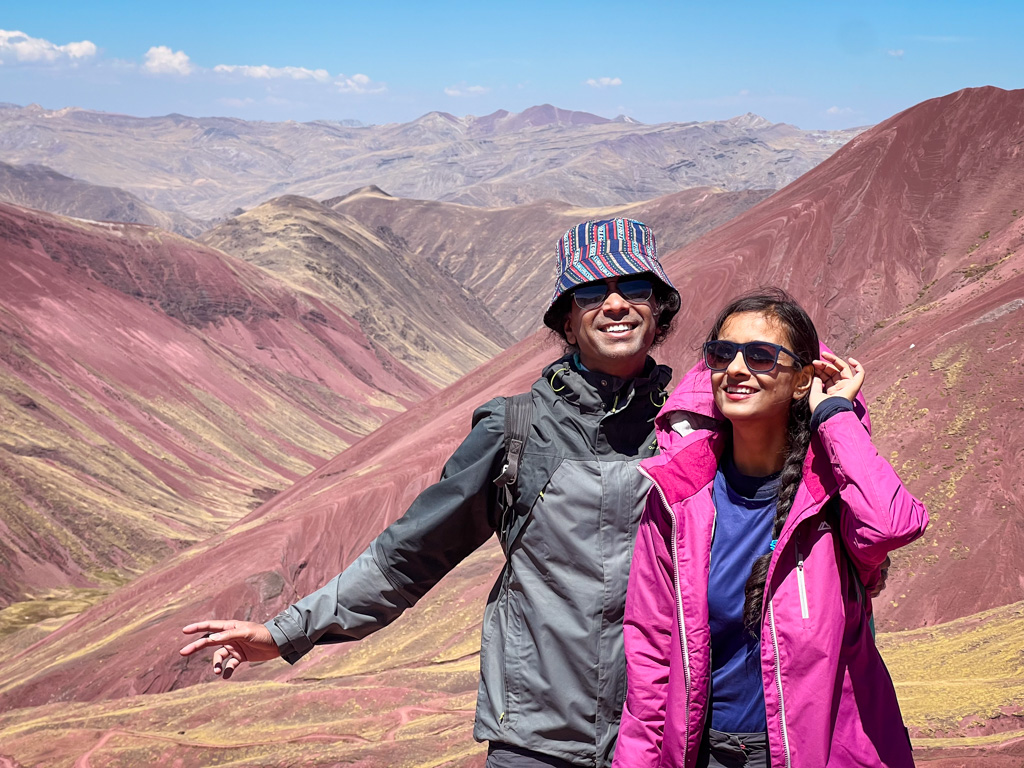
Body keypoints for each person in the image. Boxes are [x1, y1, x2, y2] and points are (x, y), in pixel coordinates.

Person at [180, 218, 682, 768]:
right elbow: (407, 557)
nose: (614, 305)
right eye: (591, 292)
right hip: (539, 743)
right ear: (567, 318)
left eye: (633, 288)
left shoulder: (695, 431)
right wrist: (283, 633)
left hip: (666, 734)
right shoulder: (513, 429)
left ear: (657, 309)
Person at [612, 289, 928, 768]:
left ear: (802, 380)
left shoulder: (832, 499)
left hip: (822, 754)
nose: (736, 369)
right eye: (722, 354)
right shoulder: (678, 501)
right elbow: (651, 657)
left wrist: (837, 416)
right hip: (707, 754)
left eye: (761, 356)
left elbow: (891, 525)